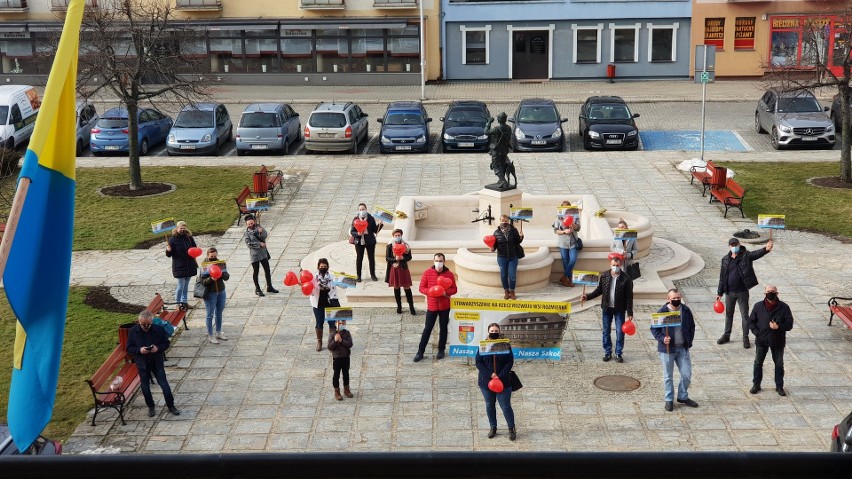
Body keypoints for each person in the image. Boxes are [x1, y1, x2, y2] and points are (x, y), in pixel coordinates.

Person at [716, 237, 773, 348]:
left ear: (739, 244)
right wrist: (719, 292)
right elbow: (722, 277)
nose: (734, 247)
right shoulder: (725, 260)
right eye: (732, 245)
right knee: (728, 315)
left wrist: (766, 249)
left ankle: (745, 338)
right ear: (729, 246)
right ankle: (726, 335)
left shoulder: (746, 256)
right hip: (729, 293)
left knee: (744, 316)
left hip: (742, 292)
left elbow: (756, 254)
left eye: (736, 245)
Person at [651, 289, 698, 412]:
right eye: (674, 298)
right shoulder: (662, 312)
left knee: (686, 374)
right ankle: (669, 399)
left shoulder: (686, 311)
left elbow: (692, 326)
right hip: (667, 349)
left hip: (682, 348)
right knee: (668, 376)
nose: (677, 300)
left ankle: (682, 396)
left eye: (678, 297)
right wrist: (662, 338)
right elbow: (654, 329)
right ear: (668, 298)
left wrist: (689, 340)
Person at [126, 310, 179, 417]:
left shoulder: (159, 329)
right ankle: (151, 406)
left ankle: (171, 406)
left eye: (148, 324)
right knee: (145, 387)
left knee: (164, 385)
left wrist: (157, 348)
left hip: (156, 361)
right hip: (142, 363)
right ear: (139, 322)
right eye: (143, 324)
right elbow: (129, 348)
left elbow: (166, 343)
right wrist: (139, 350)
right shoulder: (133, 331)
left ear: (152, 321)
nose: (146, 326)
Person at [582, 255, 634, 363]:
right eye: (614, 265)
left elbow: (629, 296)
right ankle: (607, 351)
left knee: (620, 332)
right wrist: (587, 296)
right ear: (610, 265)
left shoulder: (626, 279)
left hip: (619, 309)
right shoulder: (605, 275)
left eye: (617, 265)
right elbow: (599, 290)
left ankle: (618, 353)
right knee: (606, 331)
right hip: (607, 308)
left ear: (621, 266)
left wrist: (630, 312)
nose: (615, 267)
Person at [747, 285, 793, 396]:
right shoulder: (758, 306)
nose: (770, 293)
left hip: (777, 341)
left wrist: (779, 327)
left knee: (779, 364)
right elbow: (750, 322)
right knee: (758, 363)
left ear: (777, 293)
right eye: (768, 291)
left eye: (772, 291)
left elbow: (789, 324)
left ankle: (779, 386)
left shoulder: (784, 307)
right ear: (765, 293)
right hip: (762, 340)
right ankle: (756, 384)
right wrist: (757, 333)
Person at [475, 323, 516, 441]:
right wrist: (490, 374)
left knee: (505, 406)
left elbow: (510, 362)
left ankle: (511, 428)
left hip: (503, 381)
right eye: (492, 331)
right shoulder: (483, 345)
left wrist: (500, 376)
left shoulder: (505, 345)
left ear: (499, 331)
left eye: (495, 330)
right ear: (488, 332)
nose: (494, 332)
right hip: (486, 382)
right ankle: (493, 427)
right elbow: (478, 362)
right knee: (489, 405)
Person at [414, 253, 457, 362]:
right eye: (436, 260)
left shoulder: (449, 274)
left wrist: (445, 292)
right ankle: (420, 352)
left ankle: (441, 350)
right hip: (432, 306)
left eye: (440, 260)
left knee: (443, 329)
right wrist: (430, 292)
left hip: (444, 306)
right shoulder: (427, 273)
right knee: (427, 329)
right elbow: (421, 288)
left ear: (444, 261)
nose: (438, 262)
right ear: (433, 261)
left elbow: (454, 289)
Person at [244, 214, 279, 297]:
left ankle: (269, 286)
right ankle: (257, 289)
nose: (251, 225)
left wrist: (261, 232)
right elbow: (249, 244)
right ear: (246, 225)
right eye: (249, 224)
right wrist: (259, 244)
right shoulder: (247, 233)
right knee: (256, 272)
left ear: (254, 222)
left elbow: (265, 236)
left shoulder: (259, 227)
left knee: (267, 270)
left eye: (252, 223)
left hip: (263, 253)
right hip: (255, 255)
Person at [165, 220, 197, 309]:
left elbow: (194, 247)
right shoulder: (172, 240)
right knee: (180, 285)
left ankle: (184, 302)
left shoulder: (189, 238)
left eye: (184, 228)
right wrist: (168, 250)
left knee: (186, 285)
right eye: (181, 228)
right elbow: (169, 255)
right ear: (177, 228)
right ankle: (178, 304)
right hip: (179, 266)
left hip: (190, 264)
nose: (182, 229)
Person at [309, 258, 339, 351]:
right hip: (318, 304)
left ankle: (331, 342)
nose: (323, 268)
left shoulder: (332, 276)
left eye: (325, 267)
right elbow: (309, 289)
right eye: (321, 267)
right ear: (318, 267)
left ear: (328, 267)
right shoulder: (313, 278)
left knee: (332, 324)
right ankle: (319, 342)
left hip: (330, 303)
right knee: (319, 323)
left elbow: (343, 282)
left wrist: (353, 281)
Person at [201, 247, 229, 344]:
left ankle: (219, 332)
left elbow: (227, 277)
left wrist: (220, 274)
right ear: (207, 256)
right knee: (210, 315)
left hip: (221, 291)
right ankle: (210, 335)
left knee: (219, 313)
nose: (213, 257)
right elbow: (203, 282)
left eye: (215, 256)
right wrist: (211, 279)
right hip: (210, 293)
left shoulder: (220, 263)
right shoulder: (204, 265)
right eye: (211, 256)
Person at [491, 214, 524, 300]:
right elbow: (494, 246)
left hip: (513, 257)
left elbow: (518, 241)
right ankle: (506, 291)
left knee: (512, 275)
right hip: (502, 257)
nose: (504, 222)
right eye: (502, 221)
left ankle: (512, 291)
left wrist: (521, 237)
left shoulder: (514, 230)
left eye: (506, 221)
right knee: (503, 275)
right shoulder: (496, 232)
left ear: (508, 221)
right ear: (500, 221)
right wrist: (492, 248)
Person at [386, 229, 417, 315]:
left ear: (401, 235)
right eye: (396, 235)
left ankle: (411, 306)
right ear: (393, 236)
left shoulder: (405, 245)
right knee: (396, 287)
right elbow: (387, 258)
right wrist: (394, 259)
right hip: (395, 268)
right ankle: (399, 306)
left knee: (407, 287)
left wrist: (403, 258)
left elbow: (409, 257)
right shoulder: (390, 245)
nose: (397, 237)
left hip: (403, 268)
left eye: (399, 235)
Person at [350, 203, 383, 282]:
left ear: (366, 209)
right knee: (359, 258)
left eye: (363, 209)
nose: (362, 211)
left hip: (370, 241)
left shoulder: (370, 218)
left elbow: (375, 230)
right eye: (360, 209)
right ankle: (359, 276)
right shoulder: (355, 219)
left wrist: (380, 224)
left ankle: (373, 274)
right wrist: (357, 234)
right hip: (359, 242)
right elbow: (352, 231)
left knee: (371, 258)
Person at [552, 201, 581, 287]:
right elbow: (555, 231)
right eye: (565, 209)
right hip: (563, 242)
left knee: (572, 260)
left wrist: (573, 225)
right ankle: (568, 279)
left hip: (572, 242)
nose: (566, 211)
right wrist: (564, 231)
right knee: (565, 261)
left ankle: (564, 277)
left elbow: (578, 228)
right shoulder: (558, 218)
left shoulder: (575, 217)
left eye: (568, 209)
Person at [328, 319, 354, 401]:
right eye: (339, 323)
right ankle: (337, 391)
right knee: (336, 374)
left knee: (346, 373)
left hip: (346, 357)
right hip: (337, 358)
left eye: (343, 323)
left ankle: (346, 389)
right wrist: (335, 341)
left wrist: (341, 340)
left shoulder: (347, 333)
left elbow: (350, 344)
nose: (341, 324)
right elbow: (330, 347)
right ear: (336, 323)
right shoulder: (332, 334)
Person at [487, 112, 514, 189]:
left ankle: (503, 180)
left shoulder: (496, 129)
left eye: (498, 118)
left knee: (495, 165)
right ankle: (501, 180)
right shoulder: (509, 128)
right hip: (505, 150)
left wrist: (489, 122)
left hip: (497, 151)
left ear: (499, 119)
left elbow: (486, 132)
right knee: (502, 165)